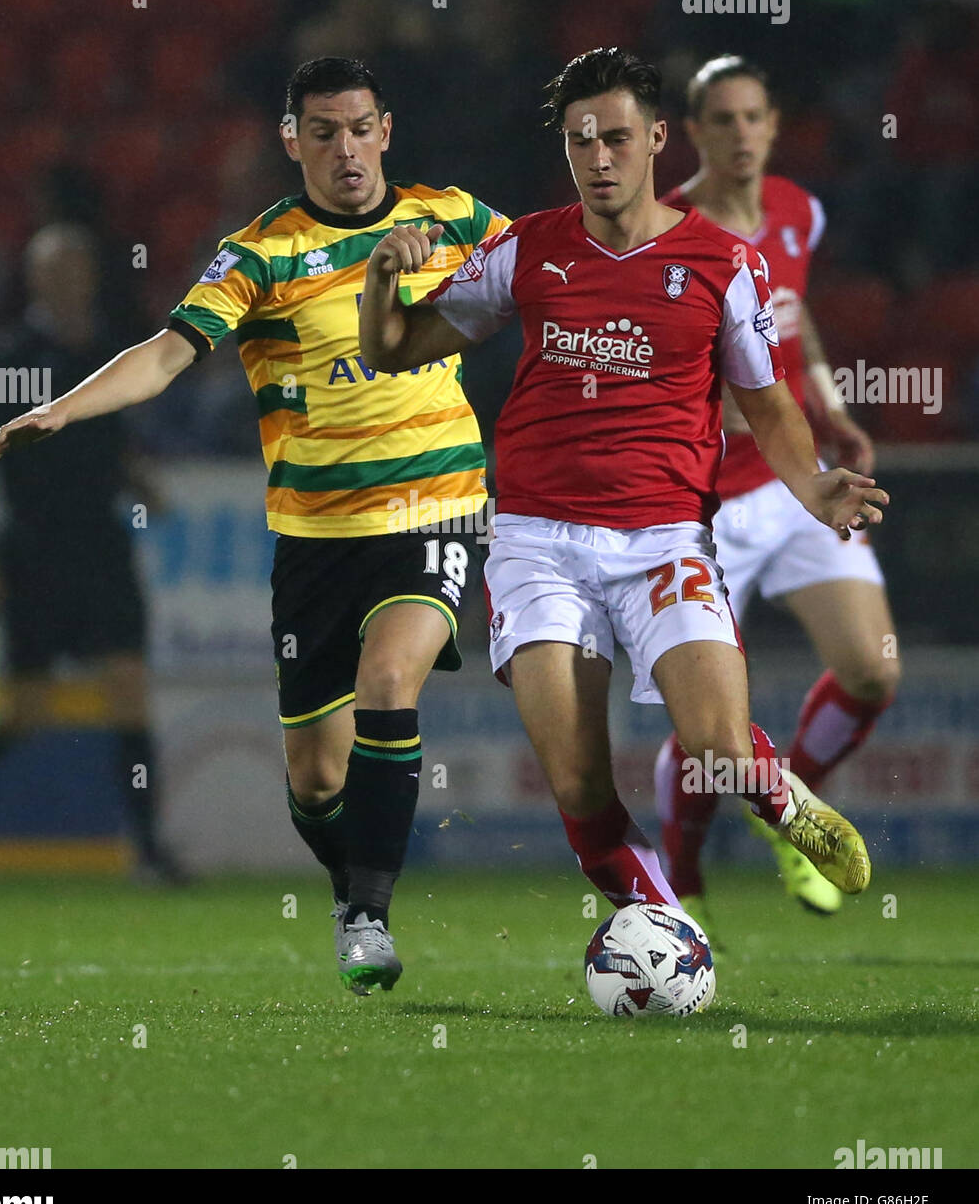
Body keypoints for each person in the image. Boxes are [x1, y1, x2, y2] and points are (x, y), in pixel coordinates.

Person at [0, 57, 509, 995]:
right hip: (314, 537)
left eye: (358, 128)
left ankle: (372, 919)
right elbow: (168, 354)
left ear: (385, 129)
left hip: (436, 508)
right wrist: (66, 407)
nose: (344, 149)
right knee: (312, 779)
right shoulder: (263, 251)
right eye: (322, 132)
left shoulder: (455, 219)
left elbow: (553, 275)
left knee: (390, 679)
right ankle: (351, 897)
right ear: (291, 141)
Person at [359, 47, 887, 919]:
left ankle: (780, 800)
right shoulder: (524, 247)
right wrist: (381, 277)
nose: (597, 159)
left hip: (664, 538)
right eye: (578, 142)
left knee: (714, 741)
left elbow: (767, 401)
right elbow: (391, 349)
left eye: (613, 139)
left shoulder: (723, 263)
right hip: (535, 541)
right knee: (574, 782)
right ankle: (670, 930)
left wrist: (812, 485)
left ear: (655, 140)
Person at [652, 55, 899, 933]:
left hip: (797, 485)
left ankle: (795, 816)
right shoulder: (667, 228)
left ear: (773, 123)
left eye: (753, 116)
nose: (741, 134)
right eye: (722, 119)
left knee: (871, 667)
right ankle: (679, 877)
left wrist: (829, 410)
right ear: (693, 131)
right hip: (704, 499)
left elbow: (796, 319)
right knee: (709, 722)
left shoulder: (798, 211)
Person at [0, 223, 184, 883]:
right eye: (55, 269)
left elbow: (113, 441)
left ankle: (149, 851)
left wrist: (138, 479)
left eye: (78, 267)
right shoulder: (8, 360)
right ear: (34, 279)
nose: (69, 280)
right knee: (27, 711)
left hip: (101, 544)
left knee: (128, 689)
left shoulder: (110, 352)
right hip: (33, 550)